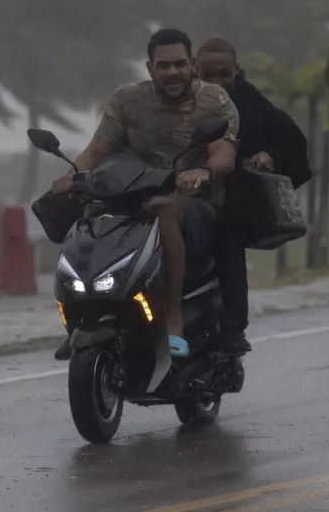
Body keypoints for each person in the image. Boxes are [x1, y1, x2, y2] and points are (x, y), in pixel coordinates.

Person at [52, 28, 240, 361]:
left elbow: (223, 152)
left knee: (163, 207)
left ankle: (173, 318)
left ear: (193, 65)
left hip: (194, 202)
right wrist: (70, 176)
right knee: (89, 213)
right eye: (164, 65)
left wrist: (204, 172)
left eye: (180, 64)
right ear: (150, 68)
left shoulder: (214, 99)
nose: (173, 72)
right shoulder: (127, 99)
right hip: (129, 195)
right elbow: (99, 147)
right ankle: (82, 318)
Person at [197, 36, 311, 354]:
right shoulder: (179, 101)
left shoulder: (251, 104)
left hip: (226, 202)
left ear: (237, 71)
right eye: (209, 75)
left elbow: (292, 142)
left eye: (225, 74)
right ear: (195, 71)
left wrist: (269, 155)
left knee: (226, 237)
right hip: (176, 194)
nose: (218, 82)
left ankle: (233, 328)